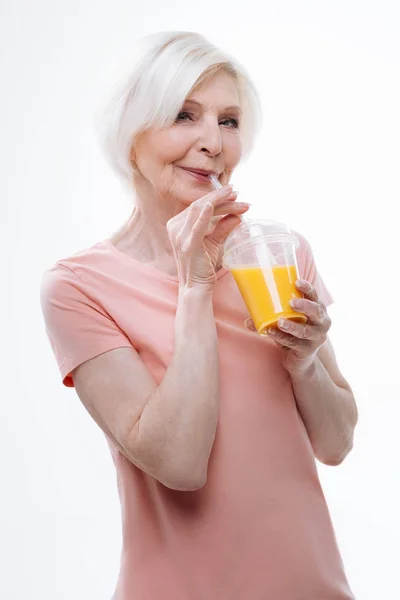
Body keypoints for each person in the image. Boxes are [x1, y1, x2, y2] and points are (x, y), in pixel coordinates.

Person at [40, 31, 358, 600]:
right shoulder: (78, 287)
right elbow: (181, 464)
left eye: (229, 121)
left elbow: (336, 444)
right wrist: (195, 285)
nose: (213, 142)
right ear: (132, 133)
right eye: (185, 115)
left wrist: (307, 363)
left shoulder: (275, 254)